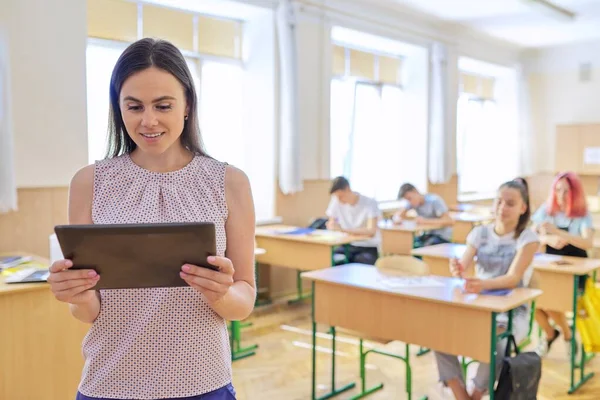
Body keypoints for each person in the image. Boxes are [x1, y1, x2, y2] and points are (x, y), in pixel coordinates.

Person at [46, 38, 255, 400]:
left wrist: (220, 293)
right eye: (134, 106)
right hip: (110, 382)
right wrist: (75, 295)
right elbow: (89, 312)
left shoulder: (229, 182)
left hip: (202, 382)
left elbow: (244, 301)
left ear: (187, 104)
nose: (148, 120)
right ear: (119, 108)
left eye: (163, 105)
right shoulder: (88, 182)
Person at [434, 179, 539, 400]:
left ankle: (477, 393)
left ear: (523, 208)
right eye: (498, 201)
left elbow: (513, 279)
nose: (502, 208)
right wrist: (457, 269)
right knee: (438, 335)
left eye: (510, 203)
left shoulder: (527, 238)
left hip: (512, 312)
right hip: (479, 306)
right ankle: (462, 396)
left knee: (496, 343)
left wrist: (481, 284)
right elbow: (463, 267)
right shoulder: (480, 233)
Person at [531, 172, 593, 357]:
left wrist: (560, 233)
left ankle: (564, 334)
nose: (561, 195)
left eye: (566, 191)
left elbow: (588, 243)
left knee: (550, 299)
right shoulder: (547, 210)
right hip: (550, 267)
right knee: (532, 299)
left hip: (574, 271)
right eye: (558, 190)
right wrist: (547, 239)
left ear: (575, 192)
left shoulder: (582, 214)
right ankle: (554, 334)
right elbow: (533, 235)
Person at [326, 176, 382, 265]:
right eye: (336, 197)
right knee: (329, 261)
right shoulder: (336, 201)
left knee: (360, 264)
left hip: (367, 247)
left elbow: (371, 231)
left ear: (348, 189)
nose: (339, 200)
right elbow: (331, 221)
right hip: (346, 245)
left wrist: (343, 230)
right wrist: (332, 224)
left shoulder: (370, 203)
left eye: (341, 196)